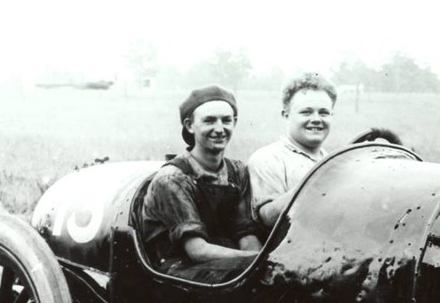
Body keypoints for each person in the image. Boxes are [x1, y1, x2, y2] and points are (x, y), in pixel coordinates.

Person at [140, 85, 262, 281]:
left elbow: (246, 233)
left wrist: (259, 262)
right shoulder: (172, 179)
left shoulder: (237, 172)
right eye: (209, 121)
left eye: (226, 120)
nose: (220, 129)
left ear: (235, 122)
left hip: (227, 263)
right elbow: (197, 250)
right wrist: (260, 261)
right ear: (190, 126)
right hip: (178, 269)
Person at [249, 72, 337, 229]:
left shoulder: (334, 160)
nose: (316, 119)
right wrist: (312, 185)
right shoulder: (268, 158)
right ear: (286, 115)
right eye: (306, 112)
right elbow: (268, 219)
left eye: (324, 112)